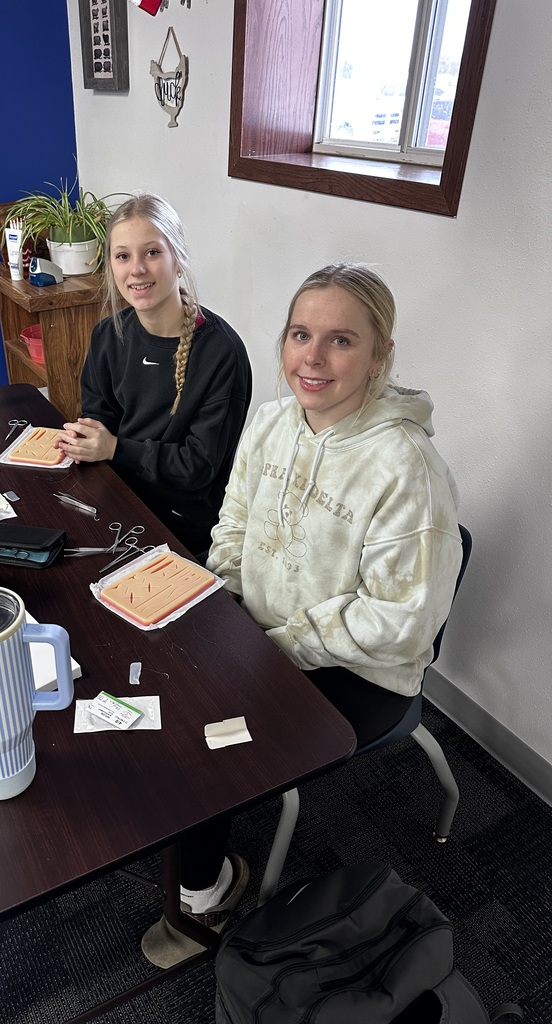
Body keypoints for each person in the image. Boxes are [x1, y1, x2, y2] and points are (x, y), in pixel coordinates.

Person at [140, 262, 462, 968]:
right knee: (165, 678)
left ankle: (209, 894)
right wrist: (218, 603)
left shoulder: (408, 468)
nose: (312, 358)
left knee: (209, 737)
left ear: (381, 357)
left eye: (341, 340)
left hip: (362, 668)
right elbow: (234, 522)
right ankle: (193, 840)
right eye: (300, 334)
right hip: (261, 628)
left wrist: (270, 647)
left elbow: (400, 622)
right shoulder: (273, 421)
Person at [54, 192, 252, 558]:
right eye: (123, 256)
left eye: (152, 252)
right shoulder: (108, 335)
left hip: (183, 525)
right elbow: (99, 419)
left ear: (178, 259)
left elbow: (199, 467)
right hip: (114, 498)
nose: (137, 269)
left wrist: (114, 447)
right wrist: (84, 439)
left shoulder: (221, 353)